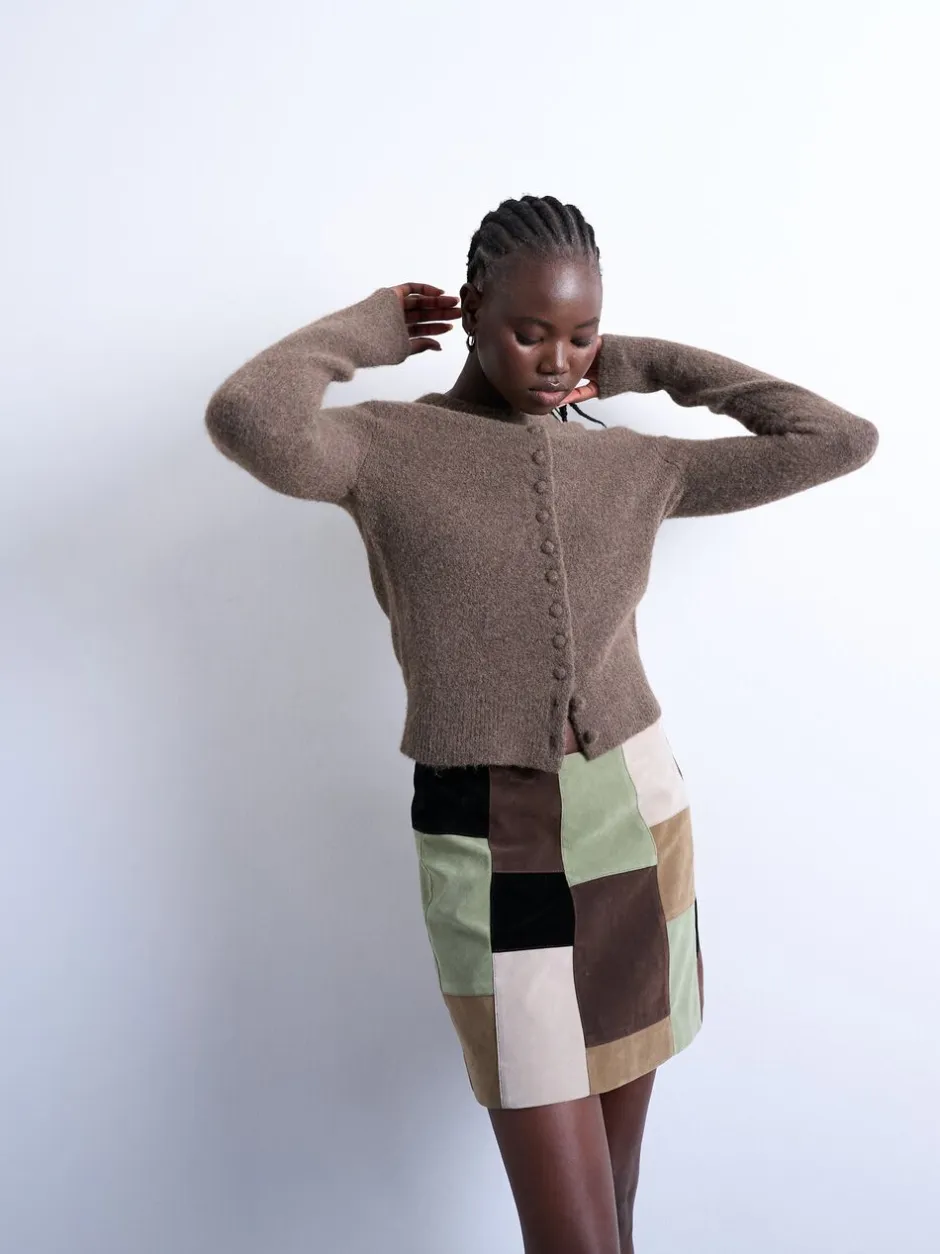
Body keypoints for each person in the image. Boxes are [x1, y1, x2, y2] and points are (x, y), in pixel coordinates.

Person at [204, 195, 879, 1254]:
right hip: (487, 835)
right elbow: (248, 417)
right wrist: (366, 328)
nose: (558, 360)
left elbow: (838, 438)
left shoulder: (637, 464)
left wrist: (641, 363)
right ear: (472, 311)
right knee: (571, 1234)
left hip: (634, 818)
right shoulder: (384, 448)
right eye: (530, 331)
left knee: (615, 1208)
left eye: (581, 334)